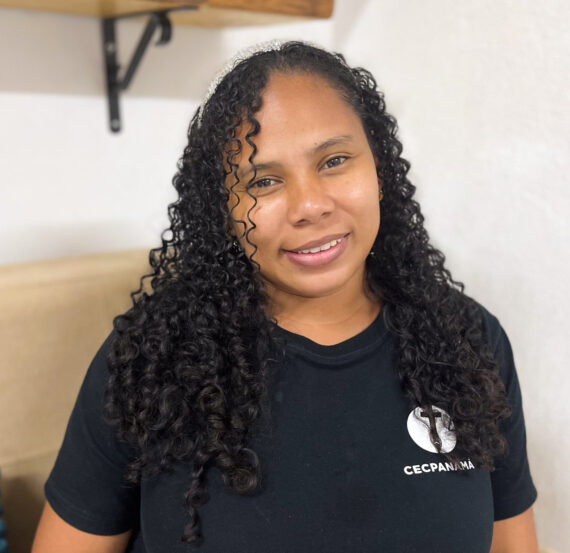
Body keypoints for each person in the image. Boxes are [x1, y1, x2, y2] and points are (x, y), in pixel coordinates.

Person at [32, 40, 538, 553]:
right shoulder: (151, 357)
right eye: (264, 182)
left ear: (380, 169)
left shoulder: (468, 340)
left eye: (334, 160)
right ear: (224, 211)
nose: (310, 206)